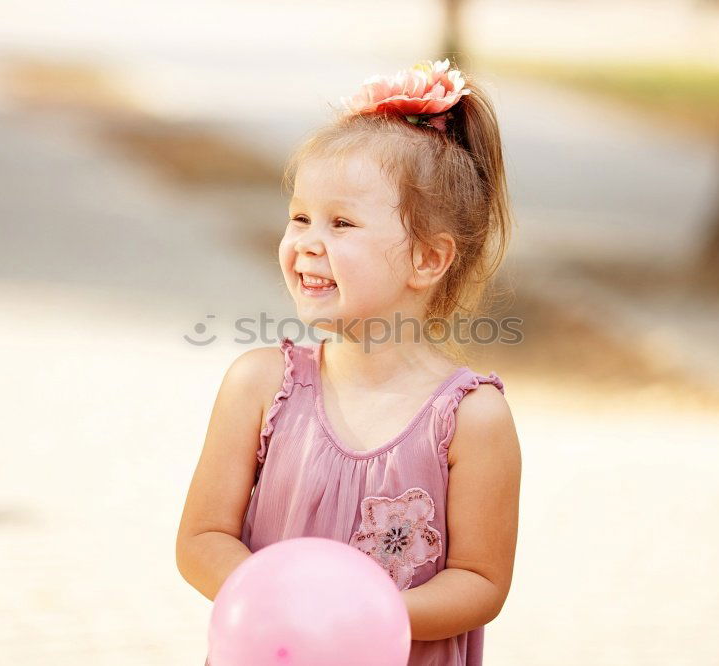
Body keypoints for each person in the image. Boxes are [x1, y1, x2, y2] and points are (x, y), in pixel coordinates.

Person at [176, 58, 522, 666]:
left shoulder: (472, 419)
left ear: (427, 260)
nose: (308, 241)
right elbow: (201, 539)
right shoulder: (259, 387)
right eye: (301, 217)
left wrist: (354, 614)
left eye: (342, 223)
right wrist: (285, 604)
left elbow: (481, 581)